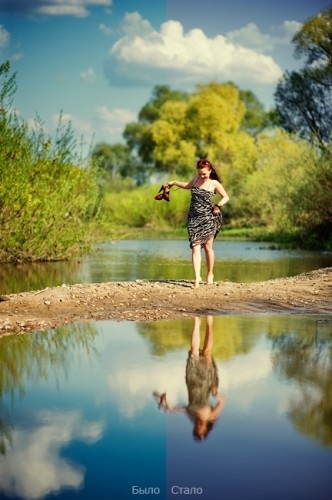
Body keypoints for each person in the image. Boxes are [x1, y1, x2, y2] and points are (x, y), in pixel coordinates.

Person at [153, 316, 225, 441]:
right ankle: (209, 323)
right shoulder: (211, 416)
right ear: (205, 429)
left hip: (191, 380)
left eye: (195, 429)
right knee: (207, 352)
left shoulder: (192, 415)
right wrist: (216, 393)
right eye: (199, 429)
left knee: (194, 352)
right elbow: (222, 401)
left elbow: (181, 408)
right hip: (206, 381)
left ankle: (196, 322)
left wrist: (168, 408)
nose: (197, 426)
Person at [166, 159, 229, 288]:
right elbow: (187, 185)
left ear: (210, 171)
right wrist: (174, 182)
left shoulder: (214, 183)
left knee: (207, 247)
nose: (201, 176)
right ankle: (196, 278)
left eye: (204, 174)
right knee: (195, 246)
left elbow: (226, 197)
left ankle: (210, 274)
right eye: (199, 173)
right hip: (193, 218)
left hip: (208, 218)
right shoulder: (196, 179)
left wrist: (218, 206)